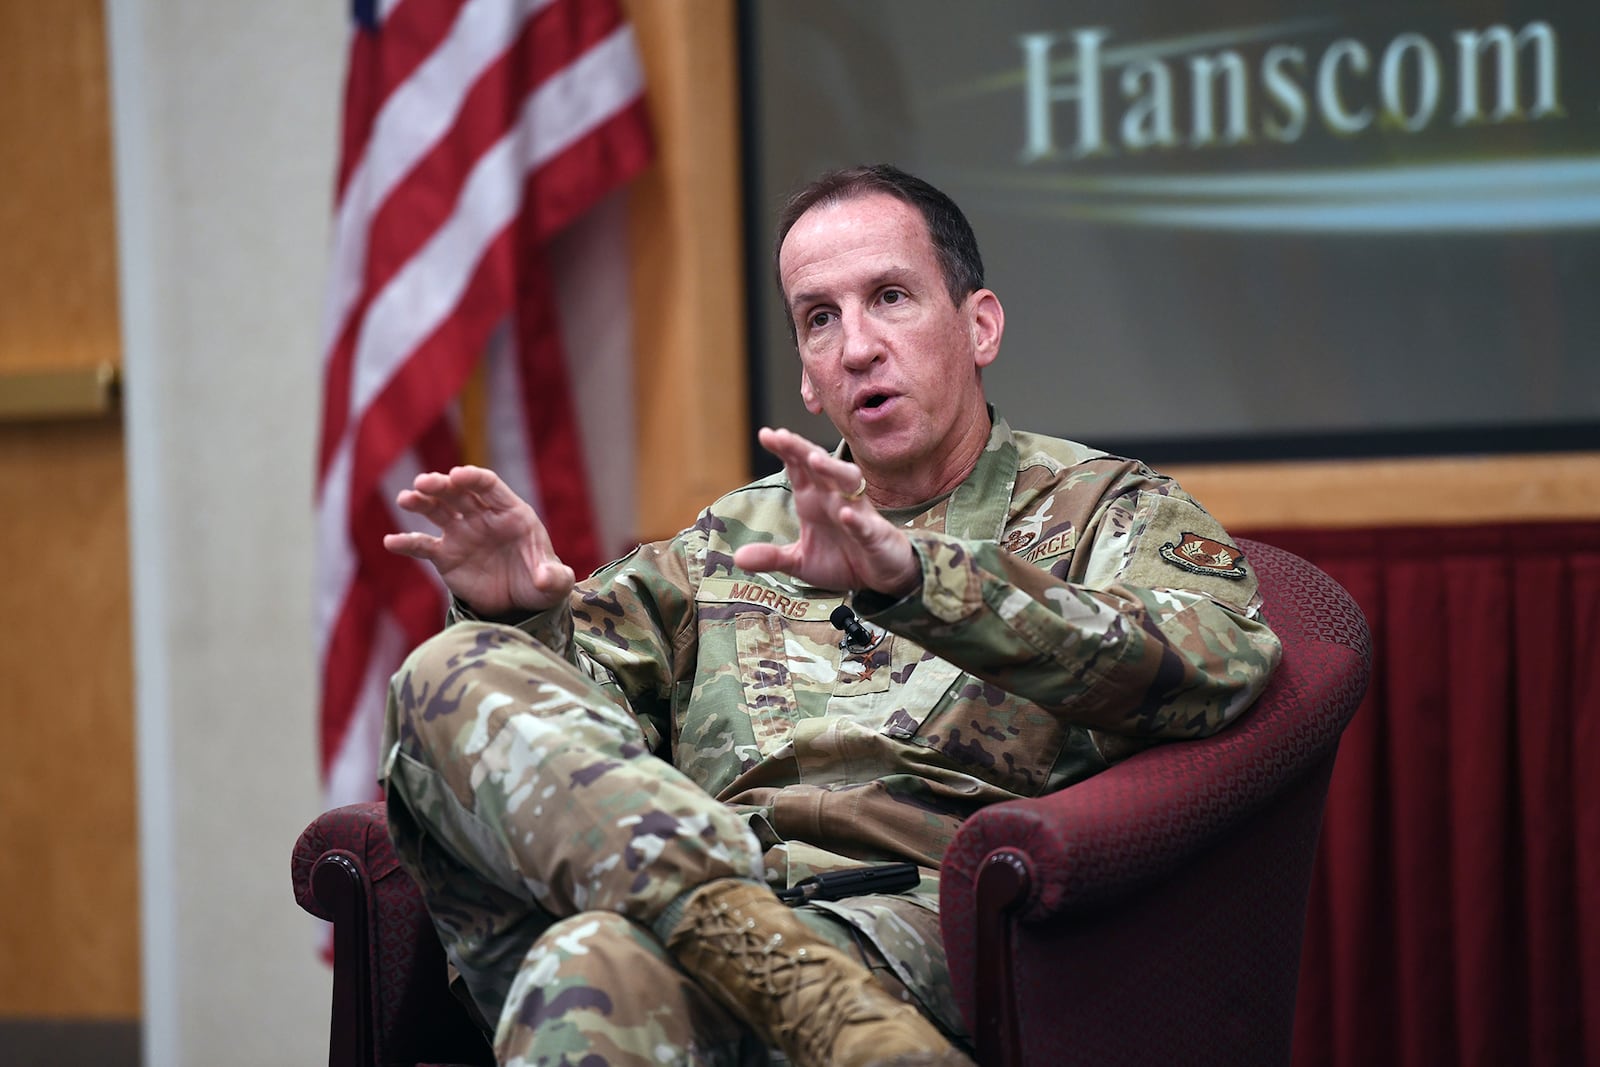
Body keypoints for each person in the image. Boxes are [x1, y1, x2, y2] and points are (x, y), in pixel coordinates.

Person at [379, 164, 1283, 1067]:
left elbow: (1223, 666)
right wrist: (519, 616)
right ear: (808, 380)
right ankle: (767, 963)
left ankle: (769, 967)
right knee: (447, 670)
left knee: (588, 962)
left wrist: (922, 580)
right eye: (821, 318)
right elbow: (569, 730)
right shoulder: (732, 538)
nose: (857, 347)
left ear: (980, 326)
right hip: (709, 913)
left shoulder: (1104, 509)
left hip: (913, 933)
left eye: (890, 297)